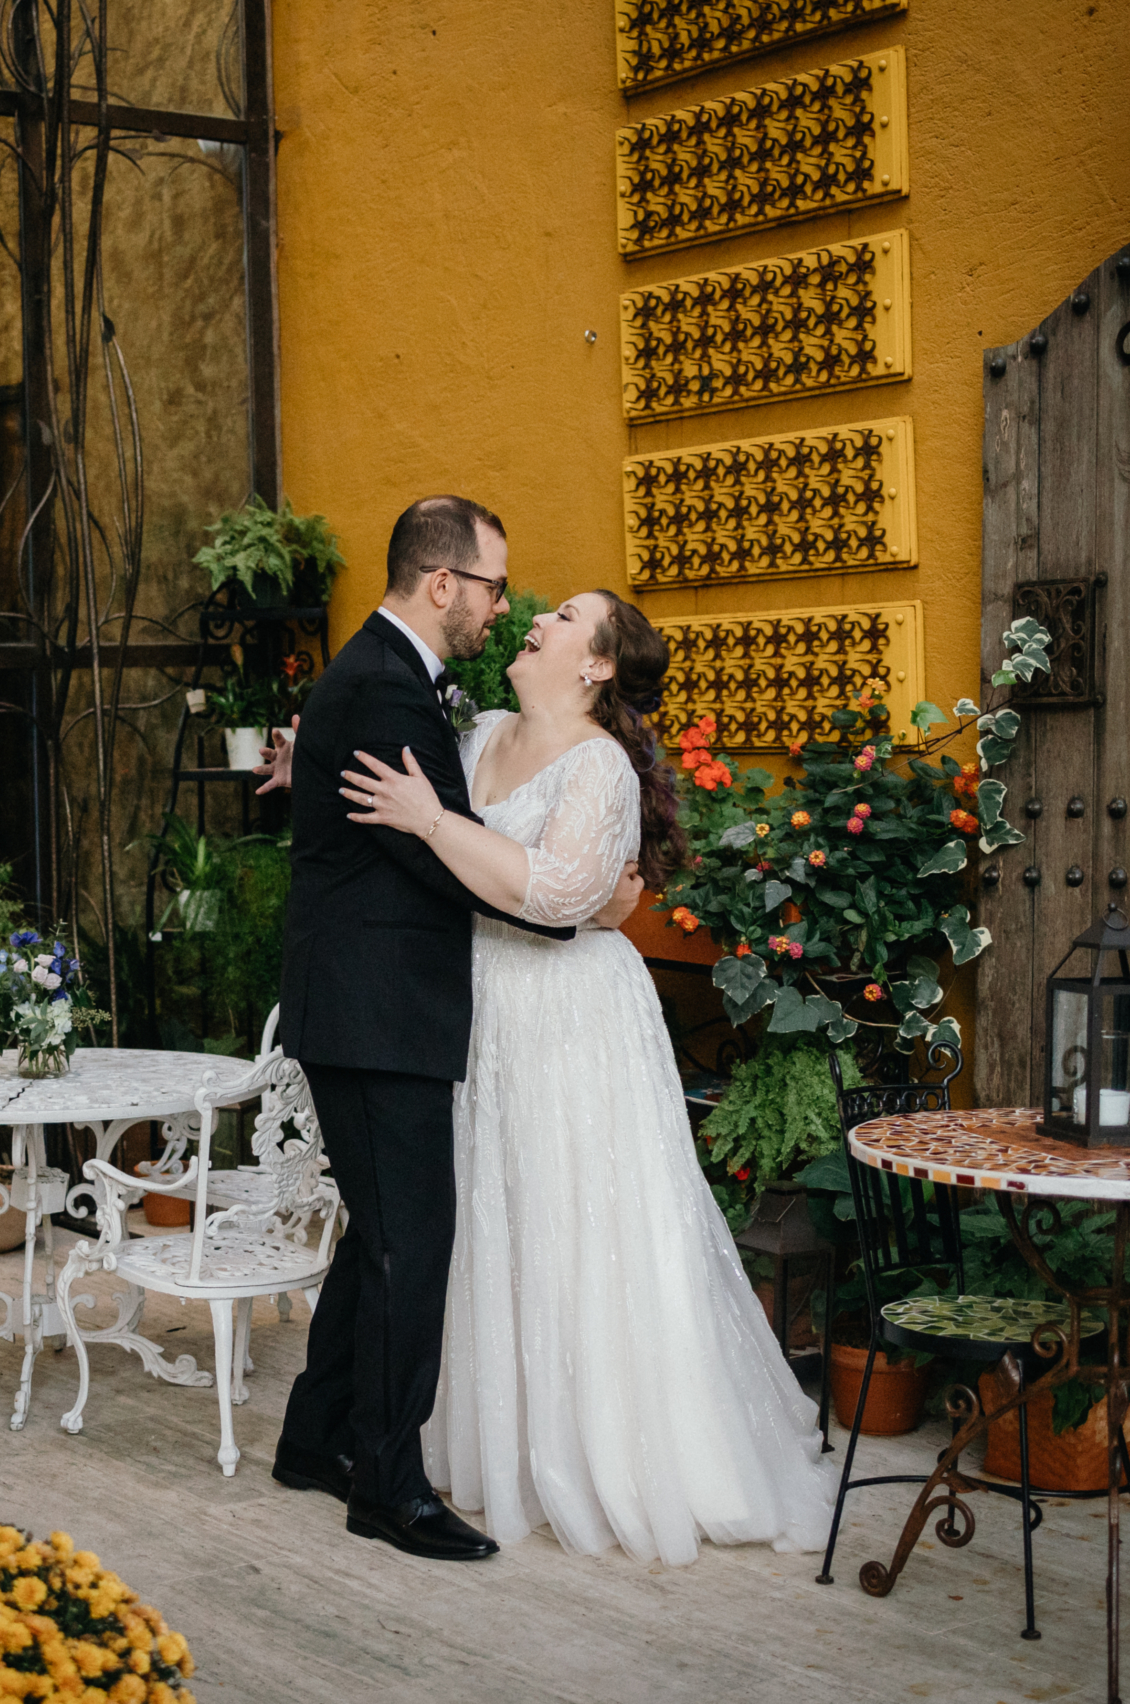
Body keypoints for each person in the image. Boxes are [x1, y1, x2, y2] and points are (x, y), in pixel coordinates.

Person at [336, 586, 835, 1564]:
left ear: (598, 664)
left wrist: (432, 826)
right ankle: (490, 1442)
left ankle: (611, 1447)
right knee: (490, 1213)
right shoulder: (476, 734)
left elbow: (565, 897)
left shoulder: (600, 765)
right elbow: (390, 807)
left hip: (571, 1015)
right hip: (476, 1005)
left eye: (566, 615)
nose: (540, 619)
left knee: (582, 1217)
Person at [270, 496, 641, 1562]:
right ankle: (389, 1484)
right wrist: (570, 903)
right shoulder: (386, 685)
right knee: (409, 1249)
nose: (499, 608)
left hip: (368, 1006)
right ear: (443, 585)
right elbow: (443, 856)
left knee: (380, 1238)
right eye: (490, 587)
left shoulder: (380, 679)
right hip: (378, 1011)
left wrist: (566, 889)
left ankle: (314, 1438)